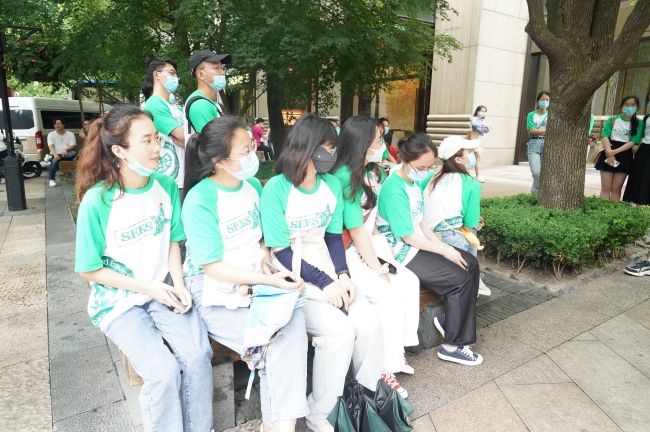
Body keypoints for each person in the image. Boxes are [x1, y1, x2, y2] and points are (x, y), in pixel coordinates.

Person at [73, 105, 213, 431]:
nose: (157, 148)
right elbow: (89, 270)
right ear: (119, 151)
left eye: (157, 139)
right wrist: (148, 287)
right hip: (118, 300)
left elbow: (173, 242)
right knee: (163, 372)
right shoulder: (98, 200)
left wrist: (178, 284)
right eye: (146, 141)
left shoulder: (165, 186)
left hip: (162, 288)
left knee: (198, 356)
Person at [182, 116, 308, 432]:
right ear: (220, 161)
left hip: (254, 278)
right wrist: (268, 279)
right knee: (275, 342)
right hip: (213, 288)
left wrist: (265, 262)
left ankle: (277, 427)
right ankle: (279, 427)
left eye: (251, 146)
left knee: (290, 325)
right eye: (245, 151)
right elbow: (212, 267)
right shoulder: (200, 200)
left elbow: (260, 239)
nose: (253, 154)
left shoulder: (251, 186)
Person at [261, 114, 382, 432]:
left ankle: (366, 399)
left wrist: (343, 274)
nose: (333, 154)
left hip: (327, 268)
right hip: (293, 276)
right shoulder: (276, 189)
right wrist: (326, 283)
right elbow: (281, 251)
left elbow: (332, 236)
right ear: (309, 147)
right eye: (328, 147)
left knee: (368, 323)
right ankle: (319, 415)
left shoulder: (331, 184)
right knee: (339, 332)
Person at [331, 116, 420, 398]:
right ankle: (383, 369)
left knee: (409, 281)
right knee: (386, 293)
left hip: (367, 246)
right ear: (362, 143)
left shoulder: (370, 171)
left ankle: (396, 351)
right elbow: (356, 230)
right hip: (344, 252)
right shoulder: (344, 175)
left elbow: (369, 226)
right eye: (379, 139)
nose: (383, 143)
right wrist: (378, 269)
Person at [377, 133, 483, 366]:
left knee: (471, 263)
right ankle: (453, 346)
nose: (425, 172)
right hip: (400, 250)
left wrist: (440, 244)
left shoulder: (413, 182)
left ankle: (452, 320)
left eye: (429, 167)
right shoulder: (394, 188)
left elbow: (421, 220)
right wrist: (444, 251)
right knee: (459, 280)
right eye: (420, 167)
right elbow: (407, 236)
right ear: (404, 160)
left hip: (417, 242)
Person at [422, 135, 491, 296]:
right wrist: (473, 223)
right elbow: (468, 226)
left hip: (426, 235)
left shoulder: (429, 178)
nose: (471, 156)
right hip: (451, 238)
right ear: (458, 160)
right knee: (472, 231)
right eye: (468, 152)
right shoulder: (471, 183)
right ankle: (475, 279)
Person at [142, 57, 187, 194]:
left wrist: (188, 138)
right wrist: (187, 137)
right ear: (157, 75)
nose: (176, 78)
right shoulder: (154, 103)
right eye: (171, 73)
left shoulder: (175, 108)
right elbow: (183, 135)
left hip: (182, 176)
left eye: (176, 74)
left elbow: (188, 136)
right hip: (169, 177)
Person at [595, 95, 643, 201]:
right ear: (622, 106)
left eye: (633, 105)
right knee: (606, 187)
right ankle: (602, 209)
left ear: (637, 107)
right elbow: (605, 135)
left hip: (624, 154)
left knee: (616, 188)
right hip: (608, 151)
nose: (629, 107)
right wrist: (609, 153)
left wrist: (614, 152)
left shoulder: (639, 123)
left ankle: (614, 209)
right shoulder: (613, 119)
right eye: (627, 105)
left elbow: (634, 141)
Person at [186, 49, 232, 134]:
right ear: (200, 74)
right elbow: (213, 141)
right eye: (216, 67)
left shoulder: (213, 104)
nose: (222, 72)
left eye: (222, 68)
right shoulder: (200, 105)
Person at [624, 92, 650, 205]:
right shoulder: (647, 117)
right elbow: (643, 135)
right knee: (638, 176)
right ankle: (634, 203)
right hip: (644, 149)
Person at [526, 92, 550, 193]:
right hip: (534, 143)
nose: (545, 102)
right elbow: (531, 130)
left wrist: (539, 131)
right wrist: (545, 131)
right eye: (543, 99)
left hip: (548, 144)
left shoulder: (550, 115)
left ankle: (535, 193)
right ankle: (545, 191)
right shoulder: (531, 114)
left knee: (545, 172)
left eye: (547, 100)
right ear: (538, 101)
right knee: (536, 171)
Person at [47, 117, 77, 187]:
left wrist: (65, 150)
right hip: (56, 154)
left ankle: (51, 157)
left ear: (63, 125)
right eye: (55, 124)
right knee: (54, 160)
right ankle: (51, 180)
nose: (56, 125)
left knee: (73, 153)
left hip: (67, 153)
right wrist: (55, 155)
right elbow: (51, 146)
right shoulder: (51, 134)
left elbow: (73, 145)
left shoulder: (70, 134)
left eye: (58, 124)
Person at [470, 105, 490, 183]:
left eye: (484, 111)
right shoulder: (474, 118)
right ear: (477, 111)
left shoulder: (483, 120)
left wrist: (487, 128)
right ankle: (478, 176)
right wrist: (484, 125)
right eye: (482, 111)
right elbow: (474, 124)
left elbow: (484, 131)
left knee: (477, 158)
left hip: (481, 138)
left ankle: (477, 175)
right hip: (475, 137)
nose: (483, 113)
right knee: (478, 157)